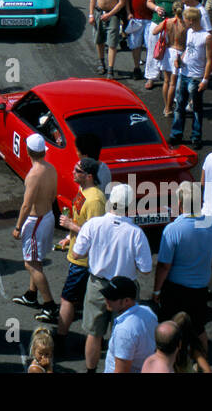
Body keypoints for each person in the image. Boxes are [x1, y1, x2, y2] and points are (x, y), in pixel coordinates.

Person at [71, 182, 153, 373]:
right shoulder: (136, 234)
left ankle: (91, 370)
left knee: (94, 333)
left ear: (111, 202)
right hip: (125, 290)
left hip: (97, 284)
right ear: (130, 205)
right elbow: (146, 269)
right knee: (122, 335)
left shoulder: (94, 225)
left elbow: (76, 254)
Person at [154, 181, 212, 343]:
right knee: (198, 328)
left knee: (170, 329)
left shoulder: (173, 230)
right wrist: (204, 269)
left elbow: (164, 266)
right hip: (200, 287)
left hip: (175, 289)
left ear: (179, 203)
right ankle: (201, 362)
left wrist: (156, 291)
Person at [55, 157, 107, 347]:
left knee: (67, 298)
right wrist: (70, 237)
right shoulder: (83, 191)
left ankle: (61, 338)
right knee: (83, 299)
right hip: (78, 254)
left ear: (89, 176)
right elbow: (81, 220)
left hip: (84, 261)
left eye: (77, 171)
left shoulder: (94, 201)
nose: (73, 172)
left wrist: (70, 226)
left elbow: (95, 234)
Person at [10, 134, 59, 322]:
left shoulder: (33, 175)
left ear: (28, 151)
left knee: (30, 264)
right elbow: (54, 194)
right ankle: (31, 295)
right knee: (36, 260)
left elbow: (26, 205)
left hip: (36, 220)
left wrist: (18, 226)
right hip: (47, 216)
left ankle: (49, 305)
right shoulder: (50, 168)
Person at [170, 8, 212, 147]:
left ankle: (196, 136)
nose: (184, 22)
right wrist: (180, 60)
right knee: (179, 106)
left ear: (192, 20)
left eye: (186, 19)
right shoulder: (189, 32)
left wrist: (205, 79)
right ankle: (176, 134)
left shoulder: (207, 37)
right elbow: (188, 51)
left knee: (196, 109)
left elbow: (209, 60)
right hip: (184, 74)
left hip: (196, 77)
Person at [101, 276, 157, 373]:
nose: (106, 300)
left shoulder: (124, 331)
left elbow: (121, 371)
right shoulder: (147, 311)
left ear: (126, 301)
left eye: (112, 298)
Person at [89, 0, 126, 78]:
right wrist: (91, 14)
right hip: (98, 13)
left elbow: (121, 2)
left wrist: (109, 15)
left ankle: (110, 68)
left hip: (113, 15)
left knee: (112, 43)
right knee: (99, 40)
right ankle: (101, 63)